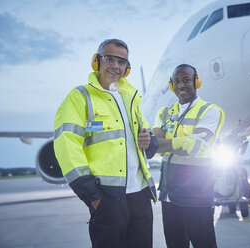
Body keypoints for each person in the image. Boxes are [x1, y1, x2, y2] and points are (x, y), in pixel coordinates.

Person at [53, 39, 158, 248]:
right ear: (96, 61)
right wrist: (93, 196)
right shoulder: (80, 97)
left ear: (127, 68)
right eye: (110, 59)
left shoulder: (131, 99)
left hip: (140, 196)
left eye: (122, 62)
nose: (116, 66)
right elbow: (67, 145)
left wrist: (149, 142)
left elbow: (148, 141)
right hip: (107, 196)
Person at [153, 64, 225, 248]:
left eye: (186, 80)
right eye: (176, 81)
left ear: (196, 81)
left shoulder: (209, 110)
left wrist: (164, 144)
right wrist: (184, 142)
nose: (181, 85)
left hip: (196, 196)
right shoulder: (164, 113)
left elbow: (195, 148)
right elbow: (153, 146)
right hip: (169, 196)